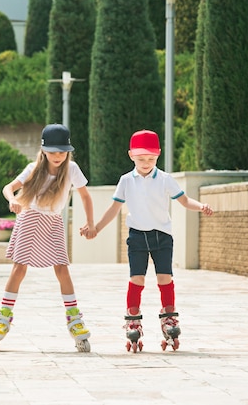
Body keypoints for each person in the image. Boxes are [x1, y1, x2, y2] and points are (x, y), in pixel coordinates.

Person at [82, 129, 213, 352]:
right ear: (131, 155)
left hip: (162, 236)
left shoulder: (164, 179)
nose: (146, 163)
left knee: (164, 278)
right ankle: (133, 319)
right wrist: (96, 228)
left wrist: (200, 206)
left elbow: (184, 200)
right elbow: (114, 209)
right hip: (137, 237)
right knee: (137, 279)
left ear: (158, 155)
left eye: (151, 159)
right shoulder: (126, 180)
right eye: (141, 158)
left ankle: (169, 318)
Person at [0, 123, 97, 352]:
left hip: (53, 222)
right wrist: (13, 199)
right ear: (44, 150)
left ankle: (74, 320)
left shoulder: (72, 169)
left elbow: (85, 197)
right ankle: (3, 318)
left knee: (62, 268)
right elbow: (9, 187)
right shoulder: (33, 168)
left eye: (62, 151)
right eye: (53, 151)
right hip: (29, 218)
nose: (58, 156)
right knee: (19, 268)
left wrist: (90, 222)